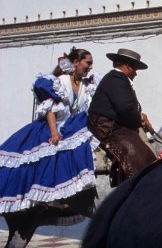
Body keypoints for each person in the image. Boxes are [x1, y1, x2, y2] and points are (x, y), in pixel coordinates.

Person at [0, 47, 100, 213]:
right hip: (51, 126)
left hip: (71, 126)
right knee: (51, 149)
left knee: (79, 143)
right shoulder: (60, 82)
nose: (90, 67)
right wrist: (54, 133)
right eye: (87, 63)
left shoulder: (86, 85)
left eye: (91, 64)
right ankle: (49, 196)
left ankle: (80, 193)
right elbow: (50, 110)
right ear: (76, 62)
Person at [87, 48, 155, 186]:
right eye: (135, 69)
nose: (136, 73)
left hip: (116, 123)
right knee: (134, 152)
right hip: (106, 126)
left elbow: (127, 108)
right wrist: (139, 120)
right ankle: (133, 186)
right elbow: (125, 109)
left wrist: (139, 116)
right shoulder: (116, 79)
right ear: (128, 66)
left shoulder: (117, 79)